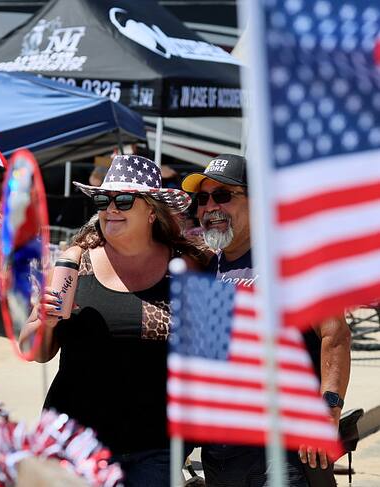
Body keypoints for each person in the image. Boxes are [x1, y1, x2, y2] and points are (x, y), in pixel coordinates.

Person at [20, 155, 207, 486]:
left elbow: (206, 352)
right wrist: (43, 322)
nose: (110, 208)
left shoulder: (184, 267)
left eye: (123, 200)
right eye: (103, 200)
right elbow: (34, 350)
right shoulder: (74, 261)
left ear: (152, 211)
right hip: (75, 442)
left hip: (155, 448)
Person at [181, 154, 351, 487]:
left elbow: (336, 335)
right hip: (220, 453)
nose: (209, 207)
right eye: (202, 199)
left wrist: (328, 409)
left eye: (223, 195)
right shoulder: (203, 269)